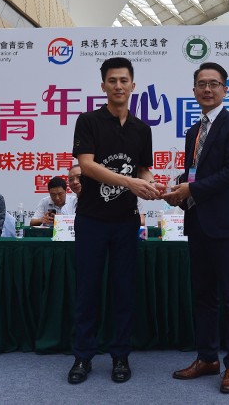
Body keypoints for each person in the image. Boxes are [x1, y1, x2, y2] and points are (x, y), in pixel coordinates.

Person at [68, 57, 163, 385]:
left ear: (133, 86)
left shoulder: (142, 129)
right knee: (87, 290)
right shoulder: (88, 121)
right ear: (103, 86)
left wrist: (151, 184)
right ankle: (83, 356)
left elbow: (143, 169)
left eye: (124, 80)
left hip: (126, 221)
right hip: (91, 219)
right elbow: (87, 165)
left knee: (124, 290)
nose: (118, 86)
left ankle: (120, 355)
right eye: (112, 80)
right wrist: (131, 182)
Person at [164, 62, 229, 394]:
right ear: (194, 90)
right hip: (197, 222)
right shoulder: (193, 132)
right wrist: (177, 192)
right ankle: (207, 358)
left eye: (214, 84)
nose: (207, 89)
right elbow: (194, 174)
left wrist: (192, 189)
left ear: (225, 90)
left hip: (226, 225)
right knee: (203, 296)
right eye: (201, 84)